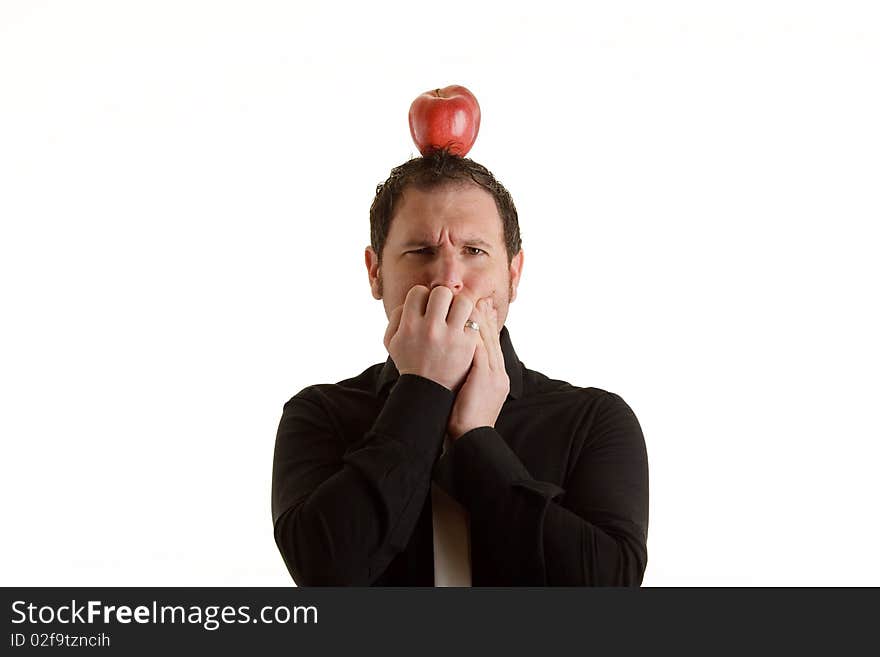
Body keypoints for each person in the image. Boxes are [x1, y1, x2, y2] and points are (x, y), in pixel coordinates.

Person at [271, 150, 649, 586]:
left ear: (513, 272)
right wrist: (424, 388)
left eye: (474, 250)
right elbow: (325, 575)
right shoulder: (319, 414)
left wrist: (475, 441)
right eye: (420, 251)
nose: (449, 278)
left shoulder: (594, 419)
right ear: (375, 273)